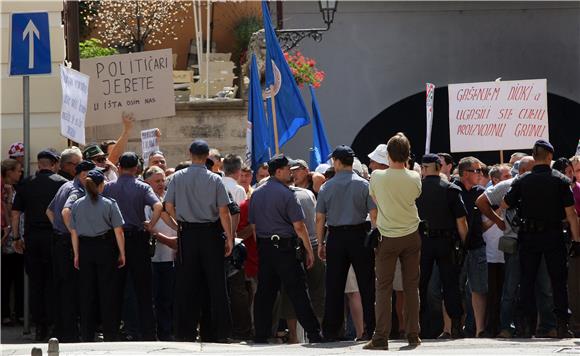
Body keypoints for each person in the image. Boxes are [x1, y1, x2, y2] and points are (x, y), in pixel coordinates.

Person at [501, 140, 580, 338]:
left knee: (527, 281)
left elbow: (504, 203)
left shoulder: (522, 181)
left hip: (528, 236)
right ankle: (562, 324)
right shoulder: (561, 180)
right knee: (558, 281)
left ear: (535, 157)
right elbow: (571, 214)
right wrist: (577, 240)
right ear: (550, 156)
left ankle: (526, 326)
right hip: (553, 236)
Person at [165, 139, 234, 342]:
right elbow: (224, 210)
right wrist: (229, 237)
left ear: (189, 153)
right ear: (207, 157)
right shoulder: (215, 179)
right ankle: (220, 332)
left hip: (188, 233)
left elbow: (168, 205)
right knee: (216, 284)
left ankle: (184, 332)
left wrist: (181, 221)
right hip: (211, 234)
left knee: (186, 284)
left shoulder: (177, 177)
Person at [249, 154, 323, 344]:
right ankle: (314, 333)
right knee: (298, 291)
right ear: (278, 171)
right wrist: (308, 250)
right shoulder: (287, 194)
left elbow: (255, 227)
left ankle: (261, 333)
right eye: (288, 169)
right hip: (285, 249)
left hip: (266, 248)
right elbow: (299, 226)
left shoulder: (256, 193)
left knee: (265, 293)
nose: (291, 173)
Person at [476, 156, 547, 338]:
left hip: (536, 241)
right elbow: (481, 201)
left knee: (542, 286)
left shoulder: (541, 184)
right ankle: (506, 327)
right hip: (513, 242)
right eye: (533, 169)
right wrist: (498, 221)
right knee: (510, 287)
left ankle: (544, 326)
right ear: (523, 171)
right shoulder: (507, 185)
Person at [364, 133, 422, 350]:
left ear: (388, 154)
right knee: (411, 286)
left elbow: (376, 201)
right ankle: (413, 334)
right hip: (411, 235)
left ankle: (380, 337)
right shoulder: (415, 177)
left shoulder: (377, 177)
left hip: (387, 236)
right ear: (407, 155)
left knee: (383, 288)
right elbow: (414, 197)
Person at [316, 145, 377, 341]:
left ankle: (331, 331)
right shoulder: (364, 185)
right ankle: (370, 328)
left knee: (334, 285)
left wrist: (320, 243)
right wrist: (375, 235)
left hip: (336, 237)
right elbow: (374, 214)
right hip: (359, 235)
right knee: (366, 284)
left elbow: (320, 218)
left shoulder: (327, 186)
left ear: (338, 162)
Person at [103, 152, 162, 341]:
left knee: (114, 288)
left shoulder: (109, 187)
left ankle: (111, 331)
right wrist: (151, 225)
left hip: (114, 239)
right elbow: (158, 206)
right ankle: (148, 332)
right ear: (137, 168)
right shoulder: (142, 187)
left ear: (119, 167)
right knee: (143, 289)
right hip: (137, 239)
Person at [11, 149, 68, 341]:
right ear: (54, 164)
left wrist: (16, 238)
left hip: (32, 239)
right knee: (53, 281)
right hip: (54, 238)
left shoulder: (25, 184)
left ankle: (39, 327)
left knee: (36, 283)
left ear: (39, 164)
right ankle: (52, 325)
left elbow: (16, 213)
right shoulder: (62, 183)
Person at [69, 169, 126, 341]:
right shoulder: (109, 203)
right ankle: (110, 333)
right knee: (107, 292)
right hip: (105, 248)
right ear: (101, 186)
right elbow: (118, 231)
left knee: (87, 293)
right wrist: (122, 253)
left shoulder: (77, 204)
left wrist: (76, 254)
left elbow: (74, 232)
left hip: (85, 249)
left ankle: (87, 334)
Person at [416, 154, 468, 339]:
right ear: (439, 167)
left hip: (423, 242)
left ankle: (417, 326)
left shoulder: (416, 190)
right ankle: (455, 326)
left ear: (423, 168)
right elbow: (461, 221)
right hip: (446, 242)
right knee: (450, 285)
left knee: (420, 285)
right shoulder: (451, 189)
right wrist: (464, 244)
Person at [45, 160, 95, 342]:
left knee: (63, 288)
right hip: (67, 242)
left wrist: (59, 229)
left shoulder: (65, 186)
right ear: (83, 176)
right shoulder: (76, 190)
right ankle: (70, 334)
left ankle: (64, 331)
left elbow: (49, 212)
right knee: (71, 290)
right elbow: (66, 212)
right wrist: (72, 232)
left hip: (59, 239)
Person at [280, 184, 326, 343]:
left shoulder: (286, 195)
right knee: (317, 291)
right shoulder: (307, 194)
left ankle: (294, 335)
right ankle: (317, 331)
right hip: (311, 244)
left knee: (291, 292)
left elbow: (300, 226)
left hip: (295, 246)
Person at [454, 157, 487, 338]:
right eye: (477, 171)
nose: (481, 174)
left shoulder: (481, 194)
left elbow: (491, 215)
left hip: (476, 247)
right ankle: (449, 328)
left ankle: (480, 329)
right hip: (455, 248)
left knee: (479, 289)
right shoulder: (452, 191)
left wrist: (494, 221)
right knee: (451, 289)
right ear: (465, 173)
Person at [143, 166, 177, 341]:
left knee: (167, 299)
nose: (161, 184)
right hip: (154, 258)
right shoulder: (146, 202)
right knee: (154, 298)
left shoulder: (167, 200)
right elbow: (148, 228)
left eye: (163, 180)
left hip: (169, 259)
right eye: (157, 181)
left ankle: (166, 332)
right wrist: (167, 240)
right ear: (147, 181)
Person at [1, 159, 23, 326]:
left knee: (18, 277)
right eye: (17, 170)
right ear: (9, 172)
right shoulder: (5, 189)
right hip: (7, 239)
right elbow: (8, 212)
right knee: (6, 278)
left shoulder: (15, 188)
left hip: (15, 238)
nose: (20, 173)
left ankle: (19, 312)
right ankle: (6, 314)